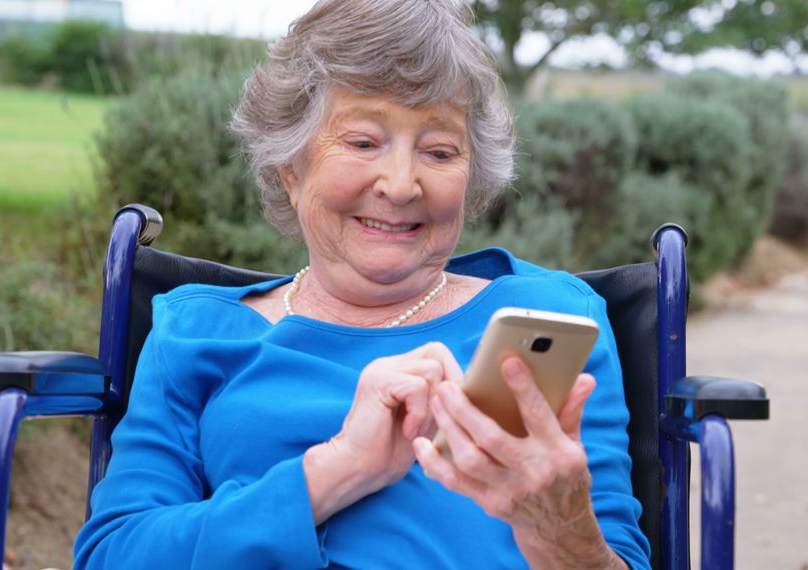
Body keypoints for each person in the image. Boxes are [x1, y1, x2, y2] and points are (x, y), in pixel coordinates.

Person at [73, 0, 650, 568]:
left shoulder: (548, 320)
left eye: (439, 150)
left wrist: (565, 532)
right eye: (363, 142)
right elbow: (113, 556)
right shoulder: (195, 333)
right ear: (290, 169)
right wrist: (338, 469)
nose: (401, 184)